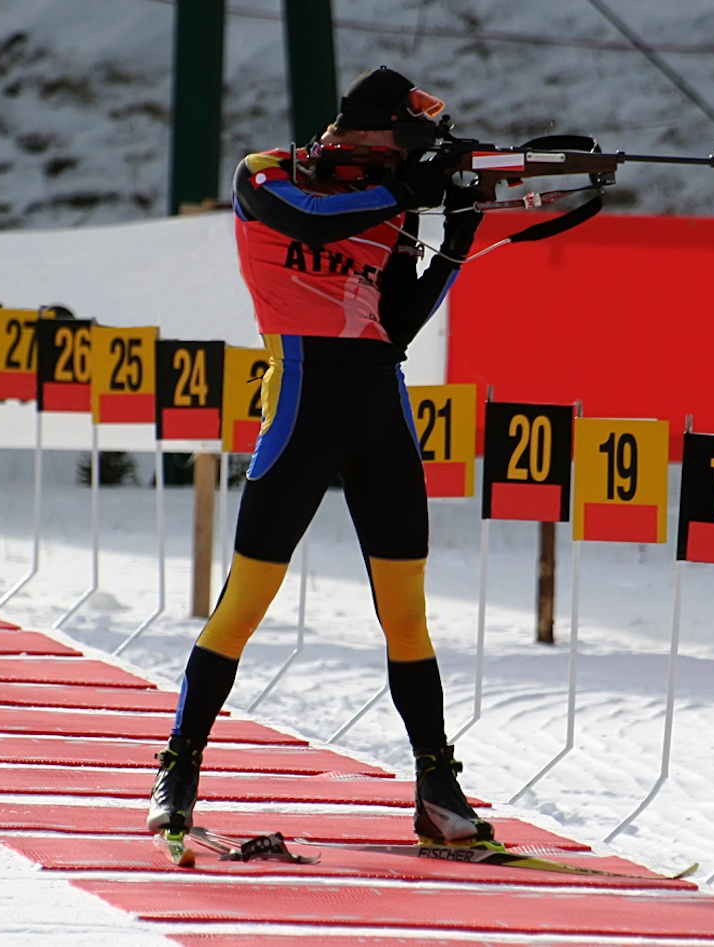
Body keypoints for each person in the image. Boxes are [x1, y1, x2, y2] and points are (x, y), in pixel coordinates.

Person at [146, 67, 492, 847]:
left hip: (378, 401)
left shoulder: (386, 200)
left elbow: (395, 323)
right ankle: (179, 765)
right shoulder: (267, 174)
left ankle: (437, 787)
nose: (410, 159)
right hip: (301, 400)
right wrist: (412, 193)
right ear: (364, 132)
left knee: (407, 614)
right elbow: (305, 223)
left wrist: (457, 236)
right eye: (404, 144)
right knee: (245, 602)